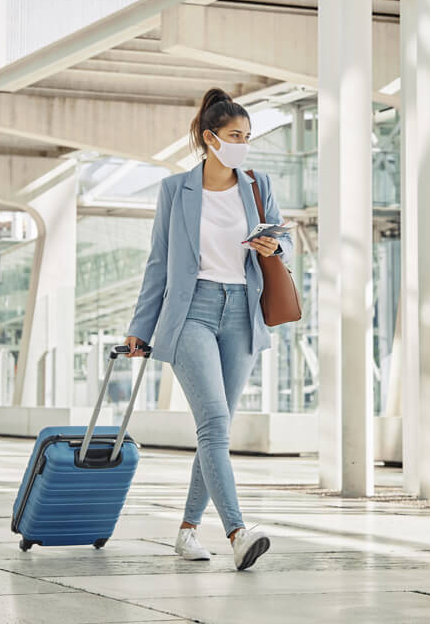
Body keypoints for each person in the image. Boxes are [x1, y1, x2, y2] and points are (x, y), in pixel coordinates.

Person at [123, 87, 293, 571]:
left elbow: (282, 244)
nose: (242, 144)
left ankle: (187, 531)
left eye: (247, 136)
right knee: (215, 424)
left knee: (213, 429)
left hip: (241, 310)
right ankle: (239, 532)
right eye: (235, 135)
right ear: (209, 137)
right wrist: (141, 327)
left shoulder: (257, 185)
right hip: (191, 310)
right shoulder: (176, 190)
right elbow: (159, 262)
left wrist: (272, 249)